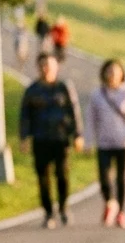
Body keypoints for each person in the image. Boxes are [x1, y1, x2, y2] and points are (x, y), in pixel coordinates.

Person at [18, 53, 83, 229]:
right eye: (43, 65)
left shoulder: (63, 88)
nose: (46, 69)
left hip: (60, 138)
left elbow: (73, 111)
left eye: (50, 65)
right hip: (40, 139)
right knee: (43, 178)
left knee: (62, 175)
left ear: (56, 67)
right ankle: (48, 212)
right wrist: (24, 137)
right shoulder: (32, 90)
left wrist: (78, 134)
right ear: (38, 68)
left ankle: (63, 207)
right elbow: (25, 116)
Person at [85, 59, 125, 230]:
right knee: (104, 178)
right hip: (104, 143)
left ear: (122, 74)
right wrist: (88, 140)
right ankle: (110, 202)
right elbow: (91, 119)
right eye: (109, 71)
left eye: (116, 71)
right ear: (104, 73)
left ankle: (121, 212)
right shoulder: (97, 95)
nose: (112, 75)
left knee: (122, 178)